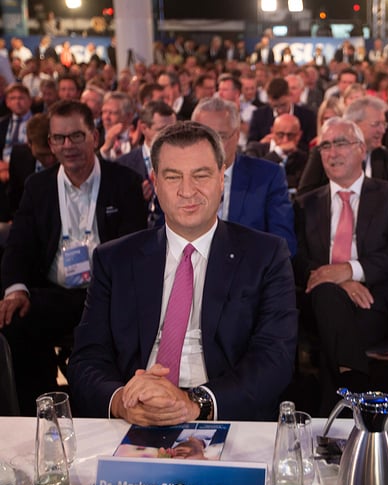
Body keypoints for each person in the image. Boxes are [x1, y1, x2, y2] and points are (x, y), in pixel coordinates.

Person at [68, 121, 298, 424]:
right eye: (173, 176)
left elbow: (274, 357)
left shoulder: (266, 255)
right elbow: (87, 357)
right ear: (155, 183)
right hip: (135, 413)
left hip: (226, 414)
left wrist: (196, 403)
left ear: (221, 180)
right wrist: (122, 402)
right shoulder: (114, 259)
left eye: (200, 175)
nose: (187, 191)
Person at [1, 101, 147, 414]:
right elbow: (19, 245)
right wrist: (16, 290)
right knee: (13, 321)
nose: (68, 146)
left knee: (129, 325)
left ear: (95, 136)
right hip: (55, 294)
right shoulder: (38, 187)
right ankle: (38, 413)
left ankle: (109, 409)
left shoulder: (125, 183)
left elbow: (135, 249)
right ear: (50, 143)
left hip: (109, 296)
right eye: (59, 138)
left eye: (77, 136)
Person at [293, 117, 388, 413]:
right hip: (320, 298)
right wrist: (340, 281)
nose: (331, 152)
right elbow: (296, 258)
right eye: (325, 146)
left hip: (376, 298)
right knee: (327, 298)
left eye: (340, 143)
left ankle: (335, 410)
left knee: (332, 330)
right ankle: (358, 389)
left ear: (361, 149)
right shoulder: (305, 204)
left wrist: (351, 270)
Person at [192, 97, 296, 256]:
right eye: (203, 136)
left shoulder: (267, 177)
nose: (211, 145)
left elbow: (283, 245)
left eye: (220, 136)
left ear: (236, 135)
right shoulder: (178, 178)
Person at [298, 96, 388, 195]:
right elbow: (305, 196)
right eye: (376, 124)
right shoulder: (324, 153)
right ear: (354, 125)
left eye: (384, 124)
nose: (382, 131)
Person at [248, 78, 316, 153]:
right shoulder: (259, 115)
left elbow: (312, 148)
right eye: (275, 106)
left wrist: (293, 146)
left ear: (290, 95)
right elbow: (250, 146)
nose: (280, 110)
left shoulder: (307, 116)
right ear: (269, 100)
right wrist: (261, 144)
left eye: (283, 105)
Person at [245, 113, 308, 191]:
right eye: (280, 135)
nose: (285, 140)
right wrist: (278, 152)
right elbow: (251, 175)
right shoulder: (255, 148)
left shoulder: (302, 158)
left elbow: (301, 186)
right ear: (272, 131)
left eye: (290, 135)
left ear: (299, 135)